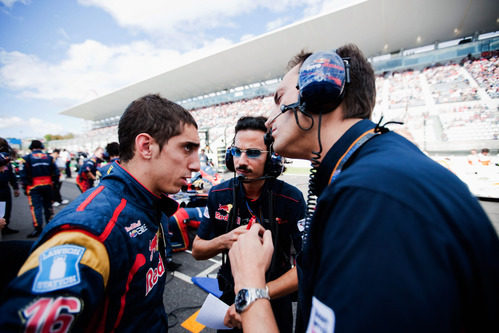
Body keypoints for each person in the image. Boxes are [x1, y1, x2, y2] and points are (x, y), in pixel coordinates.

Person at [228, 45, 499, 332]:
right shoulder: (375, 171)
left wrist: (250, 287)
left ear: (319, 87)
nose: (269, 119)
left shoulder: (371, 195)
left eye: (279, 98)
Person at [0, 94, 200, 332]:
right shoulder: (90, 230)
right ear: (146, 146)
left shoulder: (149, 203)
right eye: (187, 148)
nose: (196, 164)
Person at [192, 116, 305, 332]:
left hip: (274, 296)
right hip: (228, 296)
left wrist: (256, 294)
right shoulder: (218, 194)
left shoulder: (292, 199)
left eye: (252, 153)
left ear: (272, 159)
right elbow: (197, 250)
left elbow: (305, 266)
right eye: (236, 151)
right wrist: (225, 240)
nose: (241, 161)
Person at [20, 140, 58, 238]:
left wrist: (25, 186)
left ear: (31, 148)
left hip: (33, 186)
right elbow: (56, 173)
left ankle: (38, 228)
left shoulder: (26, 158)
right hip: (48, 184)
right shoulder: (49, 158)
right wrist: (54, 183)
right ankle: (50, 227)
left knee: (35, 207)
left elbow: (23, 174)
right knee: (48, 206)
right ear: (41, 147)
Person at [0, 138, 20, 235]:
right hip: (2, 188)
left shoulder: (5, 157)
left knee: (5, 210)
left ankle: (4, 227)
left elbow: (11, 174)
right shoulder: (4, 156)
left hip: (4, 188)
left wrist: (15, 187)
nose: (3, 169)